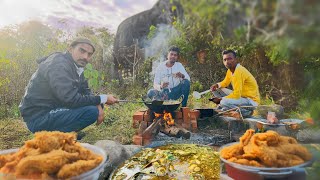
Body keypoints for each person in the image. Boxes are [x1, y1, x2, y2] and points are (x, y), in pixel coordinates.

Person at [19, 37, 118, 133]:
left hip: (54, 108)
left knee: (95, 105)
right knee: (91, 112)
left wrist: (99, 104)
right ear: (70, 49)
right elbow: (70, 99)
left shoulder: (76, 66)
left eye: (89, 54)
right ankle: (56, 135)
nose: (85, 57)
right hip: (39, 117)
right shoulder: (59, 64)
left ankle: (65, 132)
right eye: (82, 51)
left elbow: (85, 90)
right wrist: (103, 98)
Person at [210, 50, 260, 116]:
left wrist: (221, 99)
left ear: (236, 59)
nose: (227, 62)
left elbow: (237, 94)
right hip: (242, 98)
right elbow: (225, 83)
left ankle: (245, 112)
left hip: (250, 101)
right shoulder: (230, 70)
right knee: (217, 89)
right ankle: (225, 107)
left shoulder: (239, 71)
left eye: (229, 59)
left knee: (223, 102)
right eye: (225, 60)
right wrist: (217, 85)